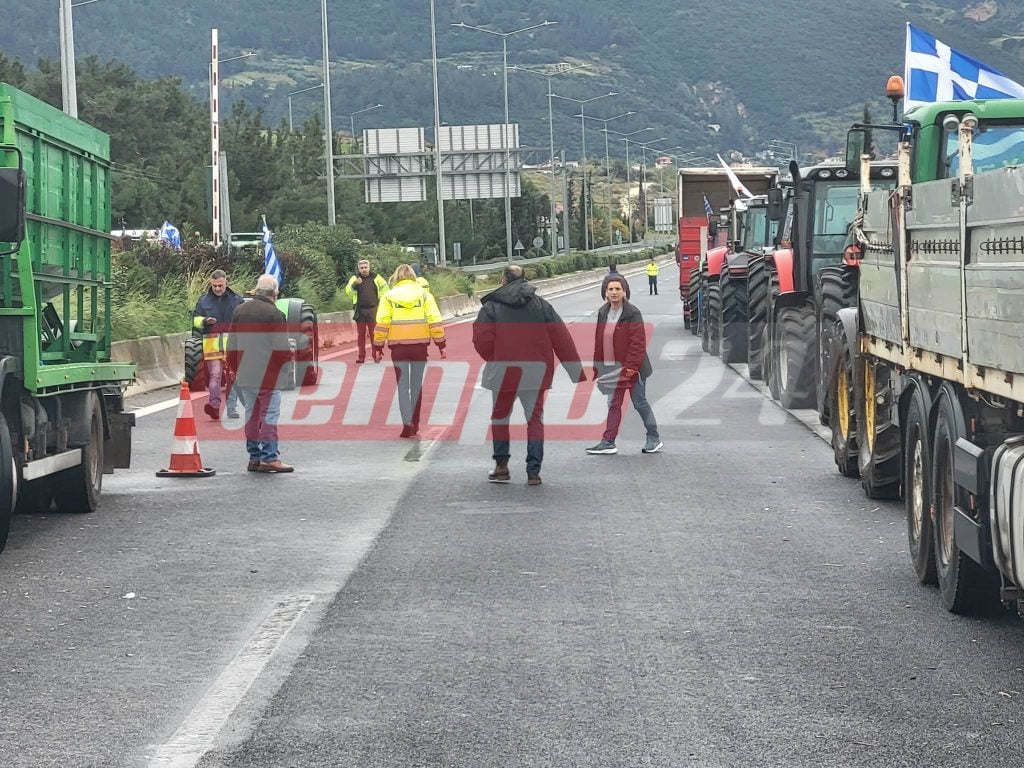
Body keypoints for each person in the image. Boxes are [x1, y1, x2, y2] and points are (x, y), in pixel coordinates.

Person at [473, 264, 585, 486]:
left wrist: (495, 358)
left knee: (500, 417)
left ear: (503, 280)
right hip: (536, 372)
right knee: (534, 420)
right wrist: (575, 370)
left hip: (504, 373)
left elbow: (481, 340)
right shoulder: (541, 305)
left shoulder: (492, 307)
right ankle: (533, 471)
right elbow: (561, 337)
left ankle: (501, 466)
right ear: (524, 280)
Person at [586, 275, 663, 455]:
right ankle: (608, 442)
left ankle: (654, 437)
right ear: (605, 292)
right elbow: (599, 341)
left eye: (617, 289)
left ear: (624, 291)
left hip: (633, 370)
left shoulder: (632, 313)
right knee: (613, 403)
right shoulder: (603, 312)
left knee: (639, 403)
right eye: (610, 289)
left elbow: (638, 344)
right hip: (611, 369)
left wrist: (630, 370)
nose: (614, 292)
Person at [226, 274, 294, 473]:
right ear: (275, 293)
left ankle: (254, 457)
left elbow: (232, 345)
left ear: (256, 291)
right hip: (269, 376)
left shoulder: (240, 310)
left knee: (252, 416)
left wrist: (235, 369)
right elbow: (282, 349)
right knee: (269, 415)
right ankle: (269, 457)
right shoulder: (275, 314)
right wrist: (285, 372)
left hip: (246, 374)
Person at [372, 264, 446, 438]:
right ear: (413, 277)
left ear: (396, 278)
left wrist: (378, 347)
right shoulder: (425, 295)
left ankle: (407, 424)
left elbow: (382, 322)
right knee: (416, 386)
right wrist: (441, 345)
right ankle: (416, 423)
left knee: (403, 387)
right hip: (420, 347)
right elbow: (435, 321)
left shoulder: (388, 297)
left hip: (398, 348)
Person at [192, 269, 244, 420]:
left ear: (226, 282)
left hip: (232, 344)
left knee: (232, 377)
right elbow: (195, 320)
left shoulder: (236, 300)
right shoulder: (203, 302)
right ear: (211, 284)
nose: (217, 289)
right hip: (212, 342)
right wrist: (204, 321)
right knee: (215, 375)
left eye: (220, 285)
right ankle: (214, 405)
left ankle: (232, 408)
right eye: (214, 286)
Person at [344, 260, 389, 363]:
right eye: (362, 268)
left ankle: (376, 355)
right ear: (359, 269)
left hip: (373, 309)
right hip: (360, 310)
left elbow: (385, 290)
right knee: (361, 335)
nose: (364, 269)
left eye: (365, 267)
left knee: (375, 334)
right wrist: (355, 285)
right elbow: (348, 292)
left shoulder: (376, 278)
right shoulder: (355, 278)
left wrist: (381, 302)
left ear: (369, 268)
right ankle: (361, 356)